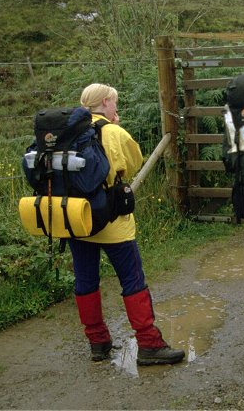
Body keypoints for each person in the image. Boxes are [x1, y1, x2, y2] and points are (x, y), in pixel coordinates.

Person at [70, 83, 185, 366]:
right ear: (106, 102)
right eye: (114, 102)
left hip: (75, 219)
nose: (116, 107)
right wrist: (114, 128)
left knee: (86, 280)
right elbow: (133, 163)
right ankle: (149, 344)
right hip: (111, 222)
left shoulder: (69, 133)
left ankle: (97, 343)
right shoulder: (114, 132)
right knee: (132, 279)